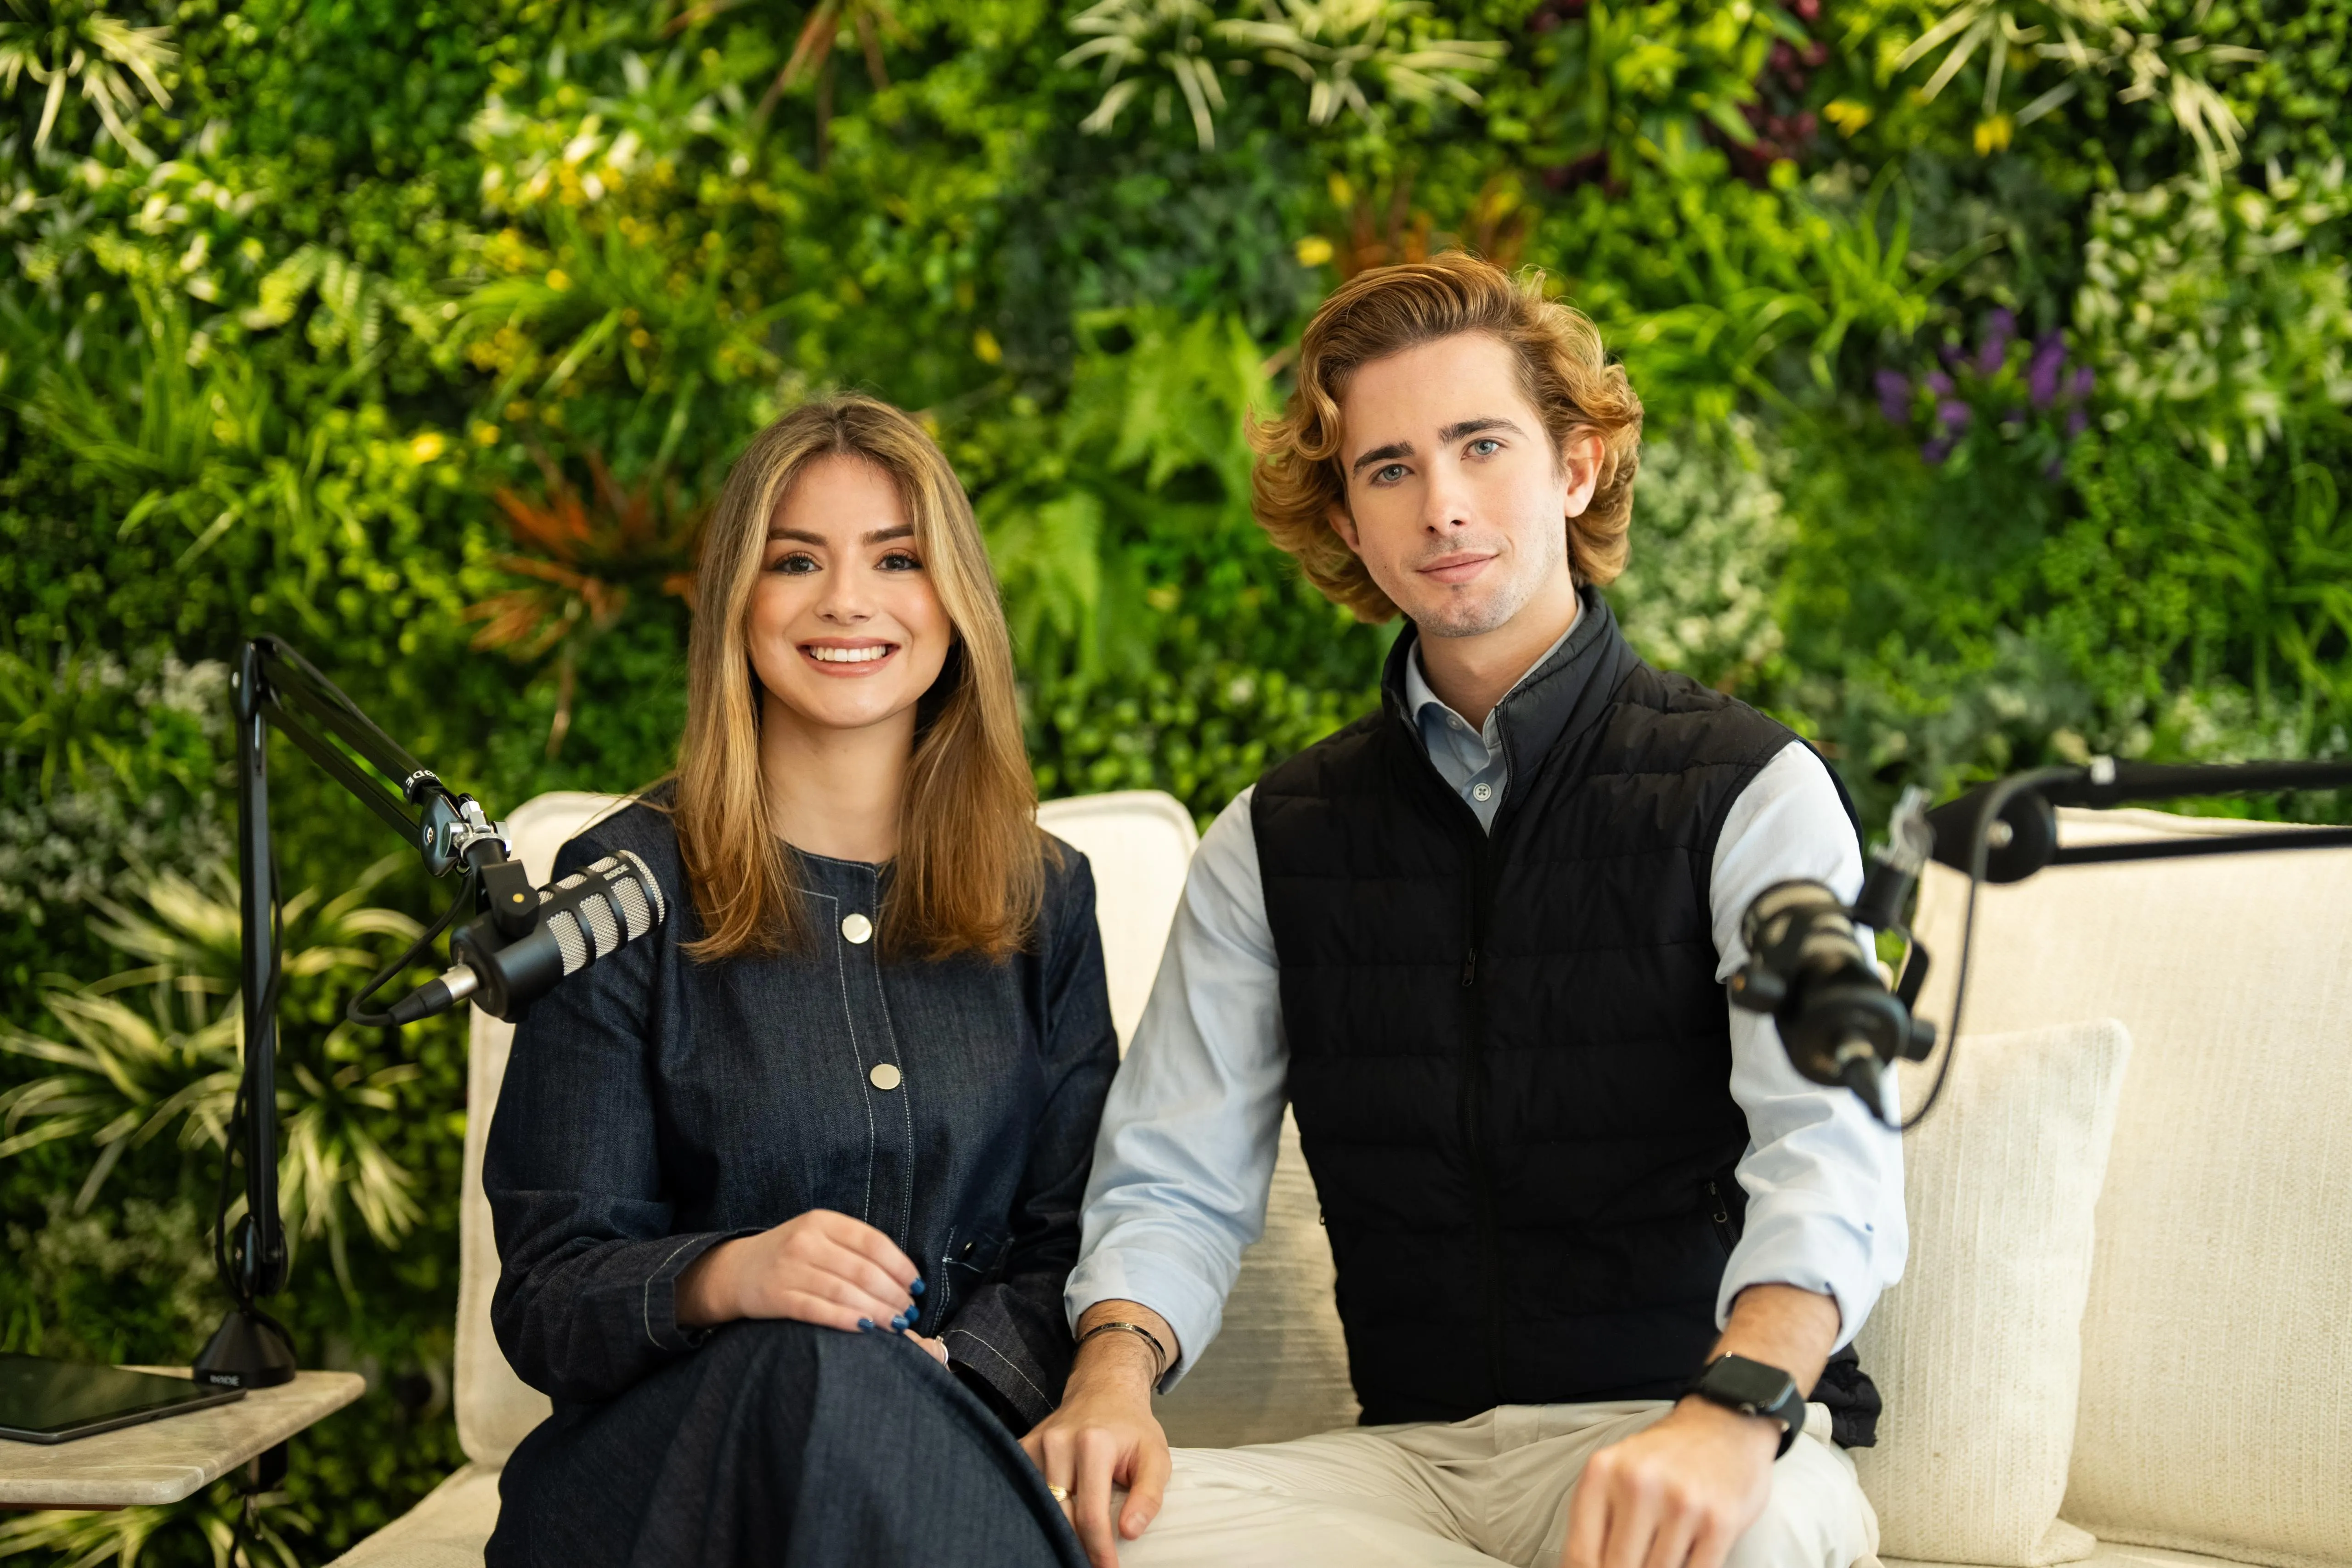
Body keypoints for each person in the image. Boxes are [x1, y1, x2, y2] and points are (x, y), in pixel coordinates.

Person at [1025, 254, 1905, 1568]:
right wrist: (1110, 1374)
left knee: (1750, 1541)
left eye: (1480, 446)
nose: (1441, 506)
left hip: (1696, 1428)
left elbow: (1830, 1143)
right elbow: (1174, 1175)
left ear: (1575, 467)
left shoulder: (1750, 791)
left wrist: (1739, 1406)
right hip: (1402, 1464)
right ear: (1351, 524)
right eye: (1389, 469)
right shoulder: (1273, 839)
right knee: (1042, 1527)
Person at [483, 395, 1111, 1568]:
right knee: (817, 1367)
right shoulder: (625, 887)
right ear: (740, 602)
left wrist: (949, 1378)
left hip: (943, 1447)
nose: (846, 601)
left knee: (863, 1403)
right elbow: (548, 1295)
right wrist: (731, 1274)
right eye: (795, 562)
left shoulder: (1044, 899)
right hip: (670, 1472)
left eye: (896, 559)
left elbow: (1068, 1241)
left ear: (953, 602)